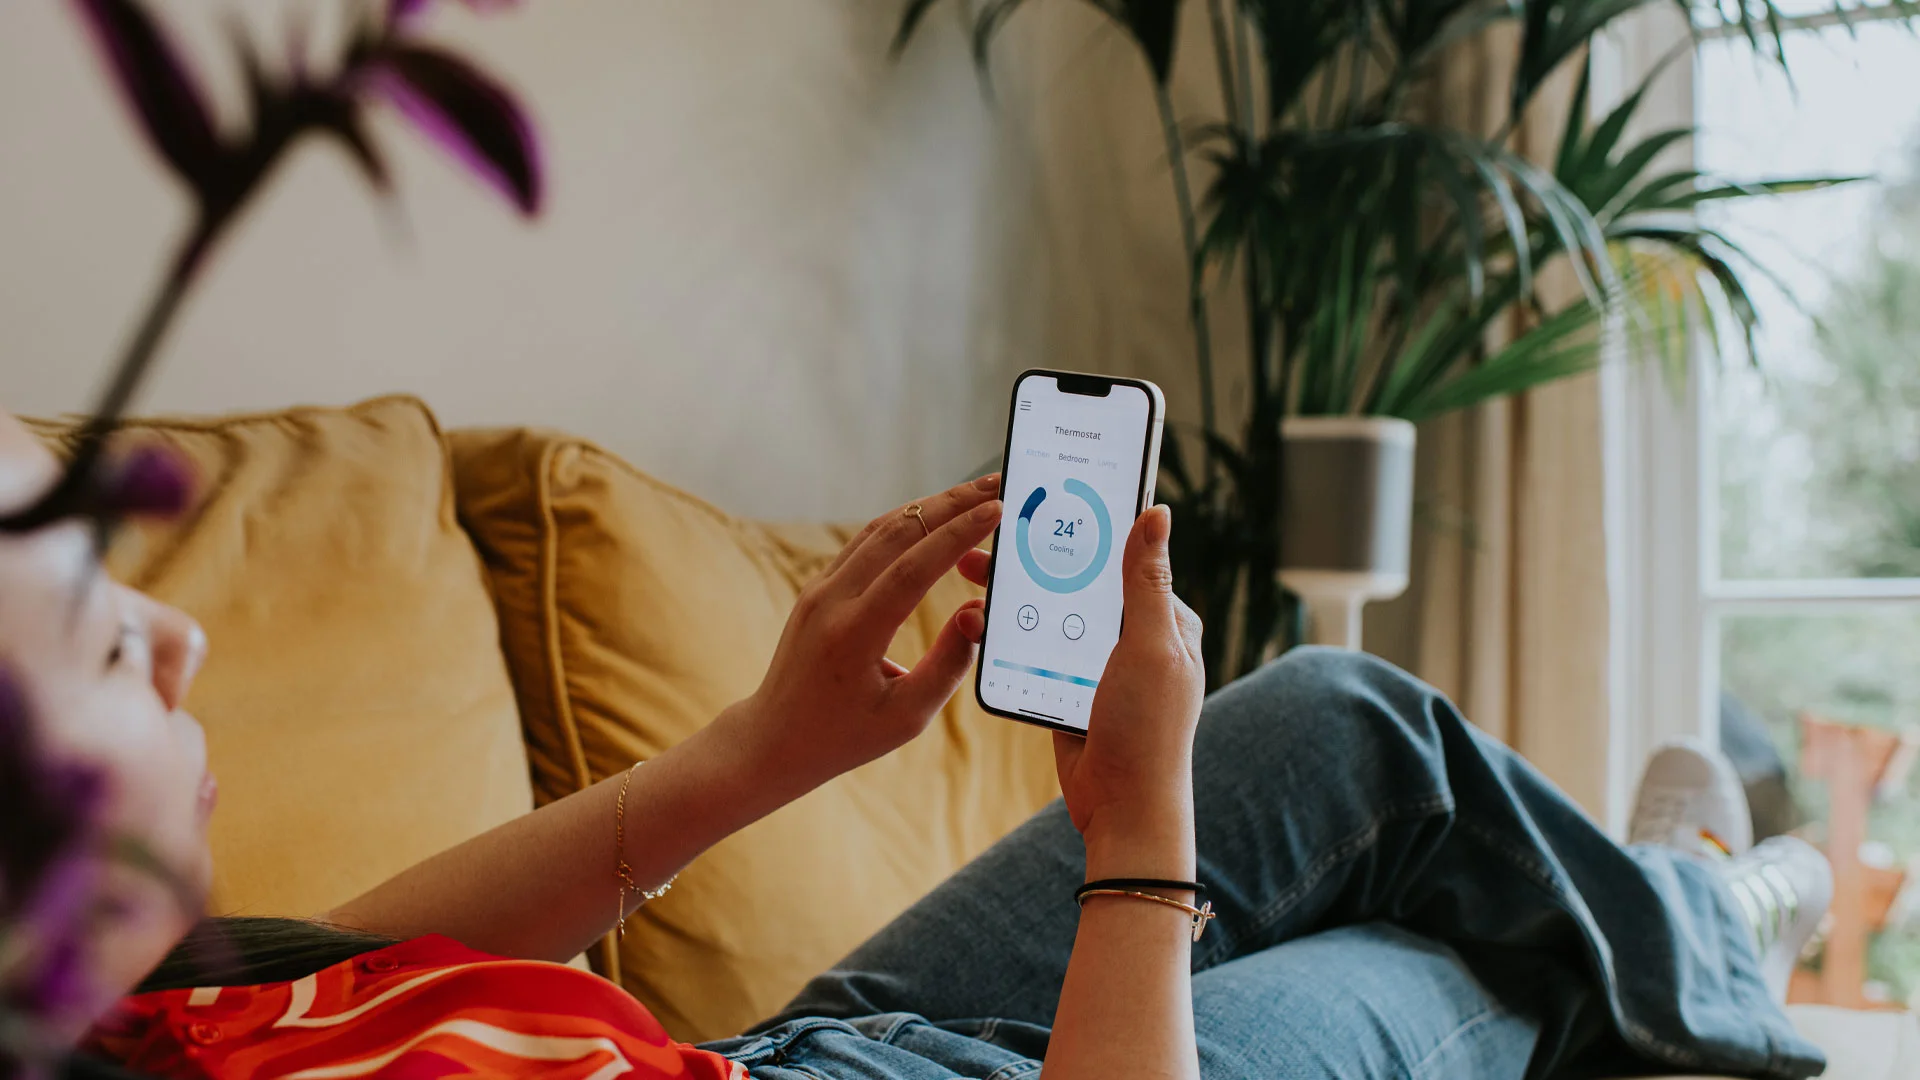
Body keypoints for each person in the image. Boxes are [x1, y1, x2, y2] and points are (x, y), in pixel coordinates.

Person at [0, 405, 1832, 1080]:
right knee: (1460, 962)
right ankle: (1724, 905)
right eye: (97, 634)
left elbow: (364, 958)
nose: (183, 636)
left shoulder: (146, 1017)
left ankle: (1688, 896)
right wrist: (1140, 840)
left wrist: (766, 747)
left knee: (1342, 713)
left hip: (786, 1048)